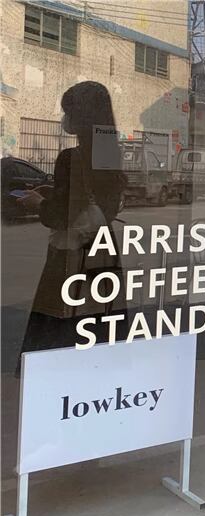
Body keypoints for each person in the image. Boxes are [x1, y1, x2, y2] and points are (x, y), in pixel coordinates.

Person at [16, 80, 126, 369]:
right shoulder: (110, 153)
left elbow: (61, 215)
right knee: (101, 315)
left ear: (81, 115)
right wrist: (53, 193)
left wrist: (38, 203)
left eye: (68, 111)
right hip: (102, 248)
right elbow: (98, 201)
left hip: (72, 254)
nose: (65, 118)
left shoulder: (70, 158)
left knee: (60, 320)